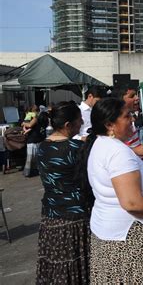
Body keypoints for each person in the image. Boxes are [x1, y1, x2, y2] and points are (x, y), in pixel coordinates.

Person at [84, 97, 143, 283]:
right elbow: (133, 202)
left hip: (112, 233)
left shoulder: (103, 144)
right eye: (127, 116)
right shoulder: (118, 152)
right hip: (132, 238)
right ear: (110, 124)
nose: (133, 119)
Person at [36, 101, 93, 284]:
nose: (82, 124)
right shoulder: (76, 149)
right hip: (74, 218)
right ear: (68, 125)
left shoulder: (42, 147)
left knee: (56, 265)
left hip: (50, 217)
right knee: (76, 265)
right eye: (79, 121)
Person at [113, 86, 143, 158]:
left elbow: (134, 145)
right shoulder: (114, 121)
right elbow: (112, 151)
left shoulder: (130, 119)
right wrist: (135, 151)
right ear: (121, 99)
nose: (137, 98)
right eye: (132, 96)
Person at [22, 104, 49, 177]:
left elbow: (30, 125)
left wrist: (23, 123)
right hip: (39, 138)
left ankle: (28, 172)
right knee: (36, 156)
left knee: (31, 157)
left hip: (33, 139)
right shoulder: (40, 116)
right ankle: (36, 171)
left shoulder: (35, 117)